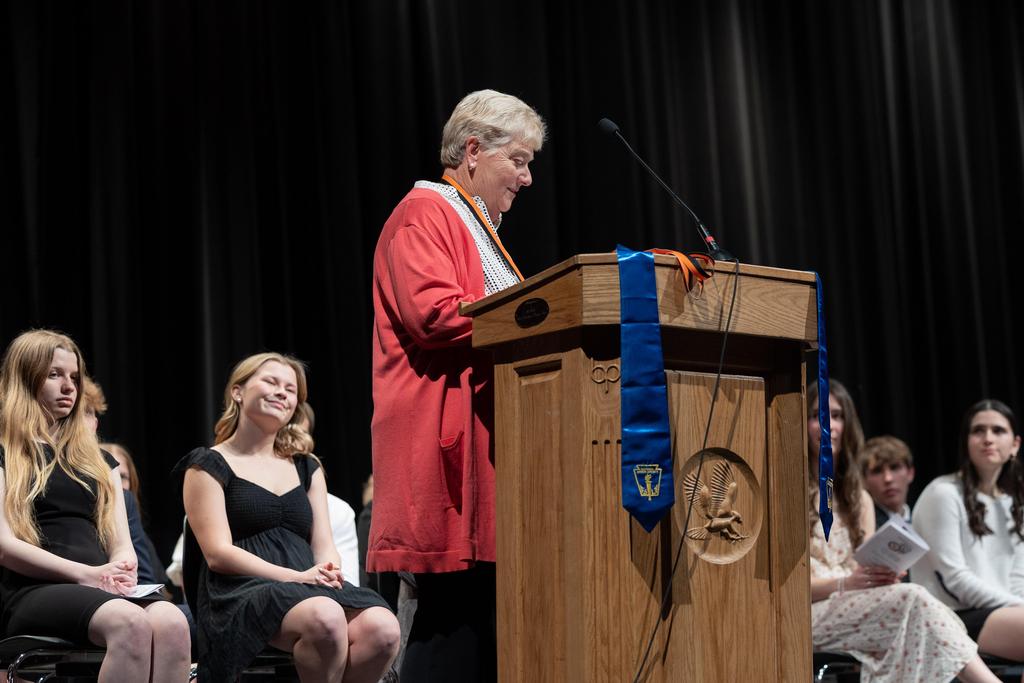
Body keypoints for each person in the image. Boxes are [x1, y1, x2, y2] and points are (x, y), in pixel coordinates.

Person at [369, 88, 546, 683]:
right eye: (517, 160)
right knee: (450, 625)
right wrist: (538, 314)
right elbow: (435, 315)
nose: (526, 178)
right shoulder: (425, 212)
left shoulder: (475, 224)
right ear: (473, 151)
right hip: (444, 444)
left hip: (486, 442)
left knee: (481, 624)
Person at [177, 352, 399, 682]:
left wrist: (327, 570)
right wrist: (295, 577)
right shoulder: (207, 465)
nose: (282, 392)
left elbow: (324, 544)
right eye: (271, 382)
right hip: (242, 590)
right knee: (325, 618)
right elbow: (218, 554)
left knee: (384, 629)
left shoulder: (307, 466)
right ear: (237, 392)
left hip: (307, 584)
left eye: (291, 389)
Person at [0, 329, 190, 682]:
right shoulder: (6, 453)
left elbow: (121, 541)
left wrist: (122, 565)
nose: (69, 387)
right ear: (26, 377)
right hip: (32, 590)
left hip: (99, 586)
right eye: (54, 374)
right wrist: (85, 574)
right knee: (129, 623)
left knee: (173, 623)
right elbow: (4, 546)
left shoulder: (100, 461)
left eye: (74, 377)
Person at [807, 379, 998, 682]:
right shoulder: (787, 492)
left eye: (837, 415)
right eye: (818, 415)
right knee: (914, 601)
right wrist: (843, 583)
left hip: (859, 609)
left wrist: (880, 575)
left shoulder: (859, 498)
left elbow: (862, 569)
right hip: (806, 615)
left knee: (914, 618)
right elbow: (783, 590)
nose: (829, 425)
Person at [912, 399, 1024, 664]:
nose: (988, 439)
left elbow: (1018, 578)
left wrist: (1018, 605)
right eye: (978, 431)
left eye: (998, 430)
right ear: (966, 442)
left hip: (1005, 611)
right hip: (952, 615)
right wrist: (1017, 606)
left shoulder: (1015, 503)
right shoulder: (943, 493)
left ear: (1015, 444)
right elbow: (955, 579)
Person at [293, 401, 361, 587]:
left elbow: (347, 579)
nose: (292, 443)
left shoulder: (338, 510)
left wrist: (329, 575)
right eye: (283, 433)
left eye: (300, 434)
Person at [859, 435, 916, 527]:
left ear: (910, 473)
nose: (888, 478)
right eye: (877, 471)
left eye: (894, 468)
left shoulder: (925, 521)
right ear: (864, 480)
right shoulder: (861, 526)